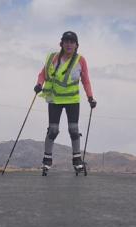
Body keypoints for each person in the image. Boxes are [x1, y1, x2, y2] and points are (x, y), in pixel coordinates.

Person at [34, 31, 97, 172]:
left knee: (74, 130)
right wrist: (39, 84)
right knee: (53, 130)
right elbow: (42, 74)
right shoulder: (53, 58)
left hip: (72, 100)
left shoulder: (80, 60)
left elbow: (86, 81)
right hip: (55, 99)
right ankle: (47, 159)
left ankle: (77, 160)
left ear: (76, 45)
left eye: (72, 42)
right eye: (66, 41)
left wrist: (90, 97)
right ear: (61, 44)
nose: (69, 44)